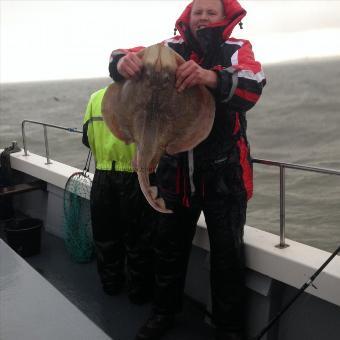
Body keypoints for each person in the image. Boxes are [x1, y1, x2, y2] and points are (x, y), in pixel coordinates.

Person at [108, 0, 266, 339]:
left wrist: (210, 77)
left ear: (226, 18)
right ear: (187, 17)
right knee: (168, 248)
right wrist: (122, 62)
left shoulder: (236, 49)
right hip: (176, 171)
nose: (204, 18)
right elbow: (125, 53)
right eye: (198, 12)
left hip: (223, 173)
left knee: (227, 254)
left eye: (212, 12)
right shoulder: (170, 48)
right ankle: (163, 313)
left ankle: (229, 328)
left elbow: (253, 84)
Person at [82, 87, 155, 304]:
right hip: (136, 178)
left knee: (106, 236)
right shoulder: (146, 96)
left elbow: (86, 138)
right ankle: (139, 293)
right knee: (138, 238)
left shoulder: (95, 97)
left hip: (103, 176)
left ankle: (110, 284)